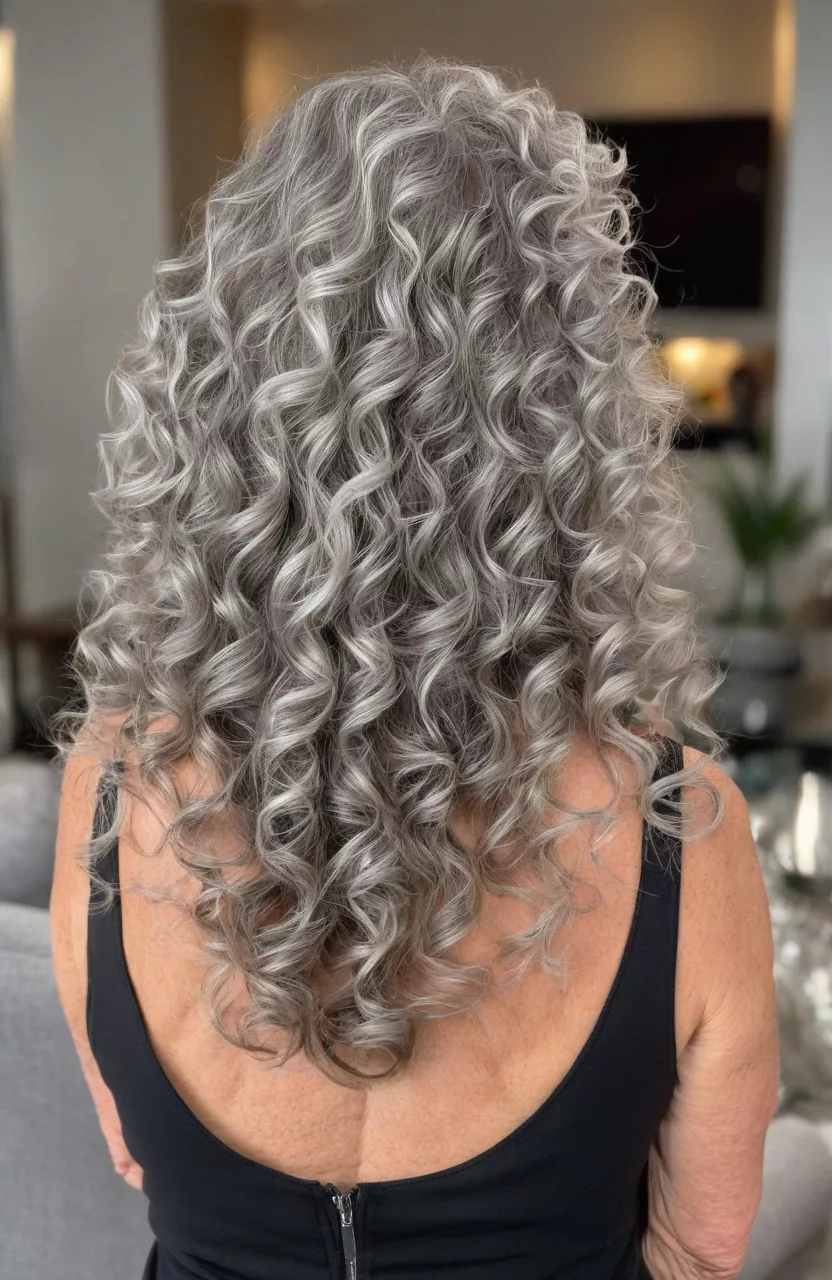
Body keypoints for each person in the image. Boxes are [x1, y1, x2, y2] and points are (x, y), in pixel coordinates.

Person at [49, 56, 779, 1280]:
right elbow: (699, 1249)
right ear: (569, 418)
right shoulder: (680, 830)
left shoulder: (110, 786)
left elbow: (136, 1153)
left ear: (226, 385)